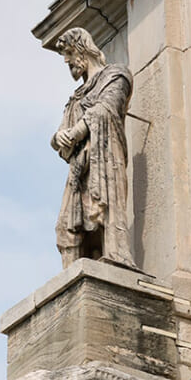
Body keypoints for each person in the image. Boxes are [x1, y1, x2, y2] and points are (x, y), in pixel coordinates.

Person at [51, 27, 136, 270]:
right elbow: (60, 132)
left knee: (104, 214)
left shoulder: (116, 76)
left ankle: (113, 262)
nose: (66, 61)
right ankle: (73, 276)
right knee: (66, 228)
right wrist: (59, 138)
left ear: (81, 49)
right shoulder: (77, 96)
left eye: (68, 53)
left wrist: (76, 132)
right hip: (79, 169)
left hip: (106, 160)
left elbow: (106, 108)